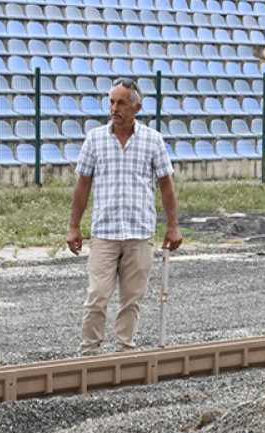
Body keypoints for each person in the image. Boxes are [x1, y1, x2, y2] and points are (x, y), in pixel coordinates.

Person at [66, 77, 182, 355]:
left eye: (121, 103)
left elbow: (166, 185)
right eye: (111, 102)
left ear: (136, 107)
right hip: (105, 233)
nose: (114, 108)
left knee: (132, 300)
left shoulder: (153, 141)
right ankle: (89, 353)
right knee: (97, 296)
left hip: (138, 233)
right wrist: (74, 226)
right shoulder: (95, 139)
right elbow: (83, 184)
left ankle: (124, 352)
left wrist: (173, 226)